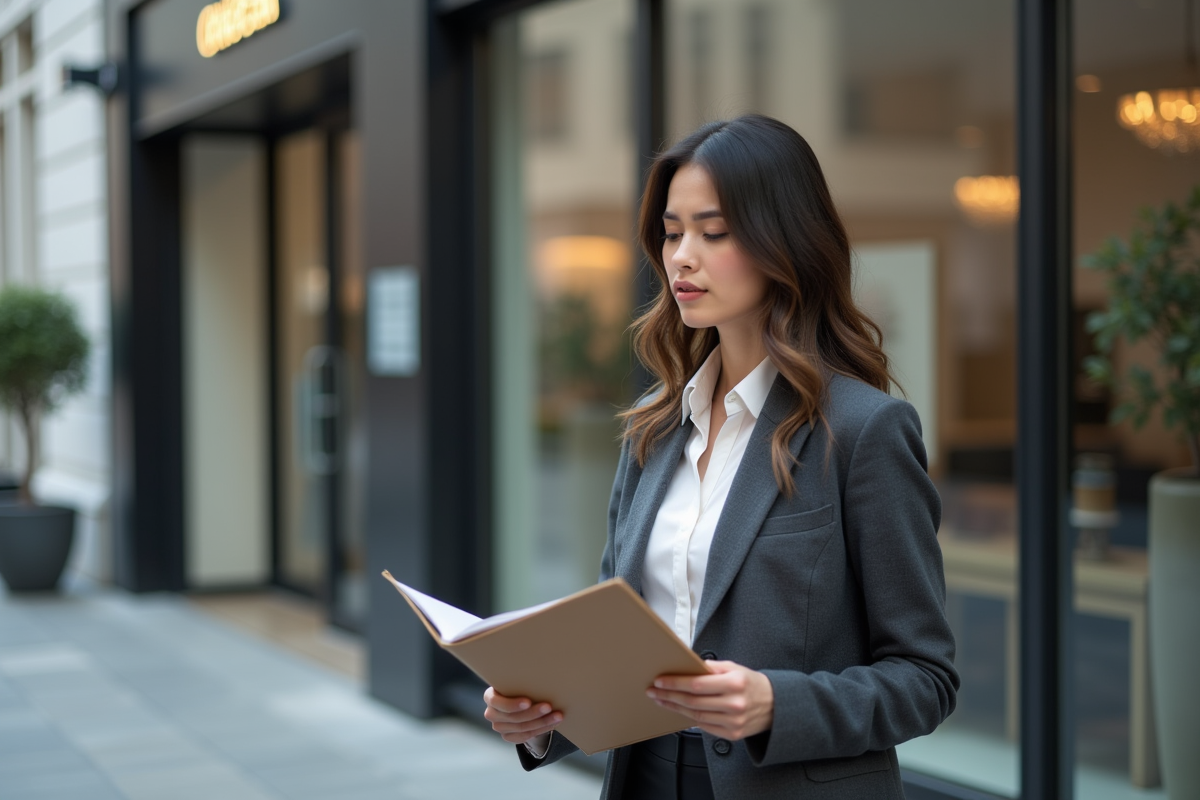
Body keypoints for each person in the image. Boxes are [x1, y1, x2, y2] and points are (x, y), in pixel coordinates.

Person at [482, 114, 958, 800]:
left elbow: (925, 680)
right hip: (645, 778)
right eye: (673, 233)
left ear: (784, 240)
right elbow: (612, 648)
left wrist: (774, 704)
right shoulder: (652, 430)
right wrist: (538, 718)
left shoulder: (865, 431)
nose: (681, 256)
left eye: (714, 231)